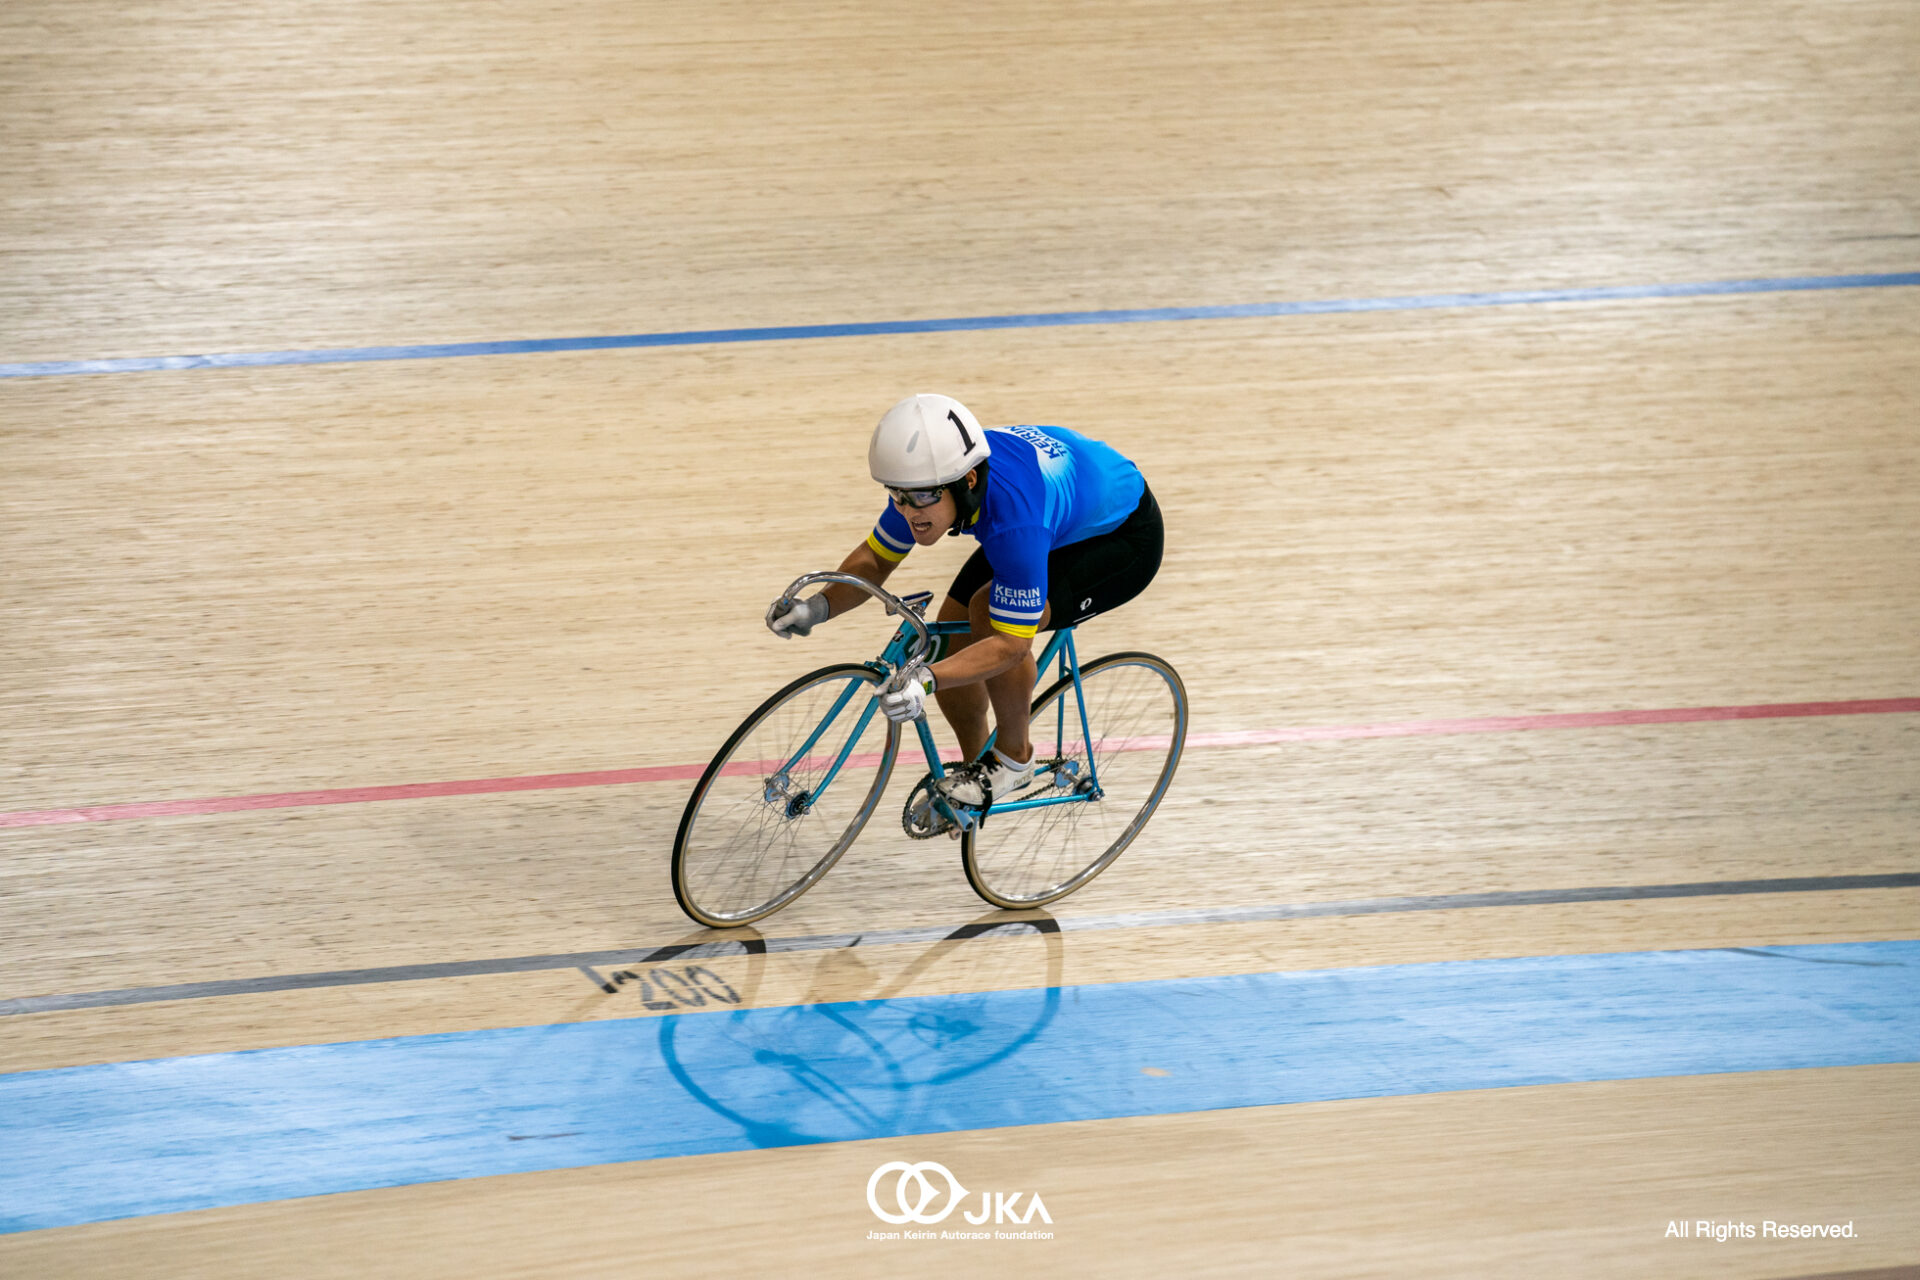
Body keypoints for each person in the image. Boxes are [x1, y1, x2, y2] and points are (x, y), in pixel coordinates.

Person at [765, 393, 1163, 817]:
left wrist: (926, 680)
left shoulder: (1011, 519)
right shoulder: (927, 481)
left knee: (988, 616)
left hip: (1121, 538)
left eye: (920, 499)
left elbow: (1011, 646)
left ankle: (1014, 761)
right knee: (952, 639)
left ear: (968, 482)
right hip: (1052, 513)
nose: (908, 511)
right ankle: (977, 783)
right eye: (896, 496)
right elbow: (878, 559)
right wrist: (817, 608)